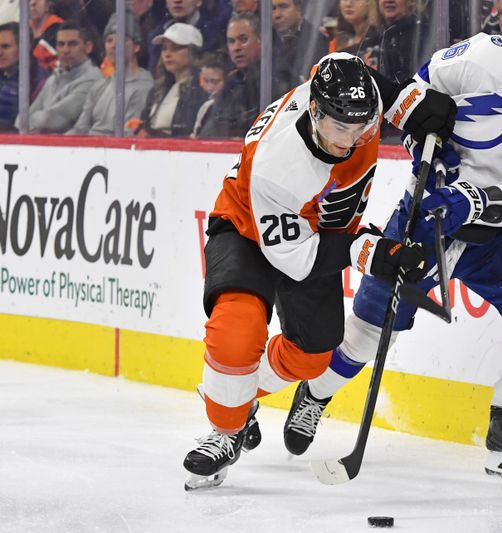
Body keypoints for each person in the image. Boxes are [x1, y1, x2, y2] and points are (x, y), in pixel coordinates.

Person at [290, 6, 502, 480]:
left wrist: (470, 200)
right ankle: (315, 395)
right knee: (367, 336)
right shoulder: (485, 54)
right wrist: (422, 143)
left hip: (494, 235)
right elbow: (417, 93)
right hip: (423, 212)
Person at [182, 53, 457, 489]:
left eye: (360, 127)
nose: (349, 139)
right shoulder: (279, 164)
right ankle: (225, 431)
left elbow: (346, 64)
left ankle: (238, 398)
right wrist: (372, 250)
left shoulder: (350, 104)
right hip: (247, 230)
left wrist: (410, 103)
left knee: (312, 355)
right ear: (314, 110)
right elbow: (300, 258)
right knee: (237, 331)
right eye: (338, 128)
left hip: (319, 233)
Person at [67, 14, 154, 136]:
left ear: (136, 47)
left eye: (122, 39)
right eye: (109, 40)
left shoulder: (144, 87)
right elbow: (80, 128)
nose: (113, 45)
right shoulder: (99, 86)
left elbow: (128, 136)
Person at [17, 20, 102, 133]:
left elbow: (52, 121)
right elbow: (21, 119)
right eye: (61, 44)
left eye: (72, 44)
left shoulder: (93, 79)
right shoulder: (52, 79)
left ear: (88, 47)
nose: (65, 50)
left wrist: (33, 121)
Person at [197, 12, 260, 138]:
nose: (236, 48)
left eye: (243, 40)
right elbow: (209, 133)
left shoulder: (276, 81)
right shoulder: (231, 84)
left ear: (261, 40)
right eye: (231, 41)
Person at [136, 22, 207, 137]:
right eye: (164, 49)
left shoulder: (200, 90)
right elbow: (143, 124)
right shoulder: (157, 91)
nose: (167, 54)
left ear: (193, 52)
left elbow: (188, 134)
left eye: (176, 48)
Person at [271, 0, 328, 98]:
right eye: (273, 8)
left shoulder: (315, 41)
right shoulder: (267, 39)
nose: (277, 15)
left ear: (299, 9)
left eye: (283, 6)